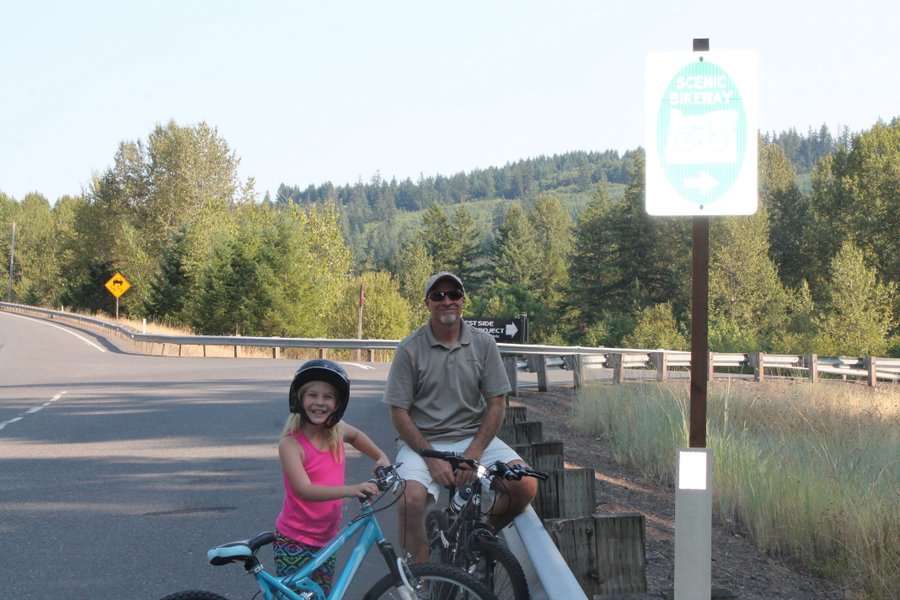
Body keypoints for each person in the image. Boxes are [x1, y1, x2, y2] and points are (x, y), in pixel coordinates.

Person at [384, 271, 538, 563]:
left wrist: (474, 453)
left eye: (453, 294)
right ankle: (423, 585)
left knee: (525, 484)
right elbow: (398, 412)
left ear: (463, 301)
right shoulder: (409, 348)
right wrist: (431, 458)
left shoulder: (483, 344)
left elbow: (496, 404)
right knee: (408, 500)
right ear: (427, 303)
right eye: (438, 295)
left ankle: (478, 539)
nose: (447, 301)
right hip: (424, 443)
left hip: (472, 438)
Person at [275, 359, 390, 594]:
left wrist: (380, 456)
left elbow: (356, 436)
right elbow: (304, 489)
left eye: (328, 397)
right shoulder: (291, 444)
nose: (319, 402)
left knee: (323, 593)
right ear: (299, 399)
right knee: (296, 596)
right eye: (312, 395)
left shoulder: (337, 432)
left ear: (337, 404)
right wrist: (351, 489)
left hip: (327, 538)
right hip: (294, 540)